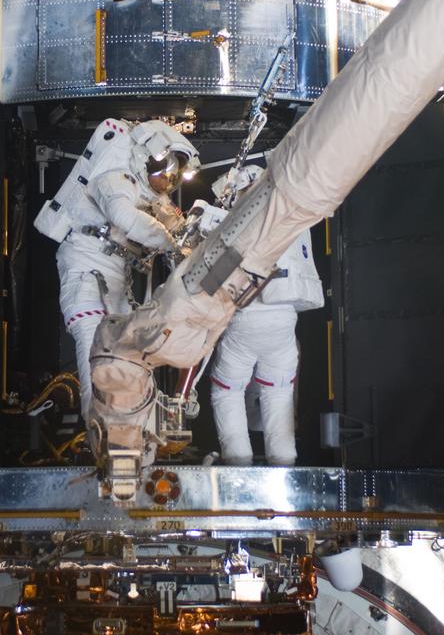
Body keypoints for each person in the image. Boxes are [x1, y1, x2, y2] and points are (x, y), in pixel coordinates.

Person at [34, 118, 199, 418]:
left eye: (171, 177)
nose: (165, 181)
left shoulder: (148, 195)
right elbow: (126, 217)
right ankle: (98, 435)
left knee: (125, 363)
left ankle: (130, 435)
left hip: (113, 281)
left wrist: (192, 240)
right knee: (95, 362)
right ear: (144, 158)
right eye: (163, 172)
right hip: (85, 273)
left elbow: (177, 225)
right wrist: (167, 242)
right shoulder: (115, 179)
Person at [195, 165, 325, 466]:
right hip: (284, 322)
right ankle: (284, 466)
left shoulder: (242, 221)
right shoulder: (291, 215)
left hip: (246, 321)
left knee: (227, 391)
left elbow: (212, 279)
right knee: (278, 394)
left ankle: (238, 463)